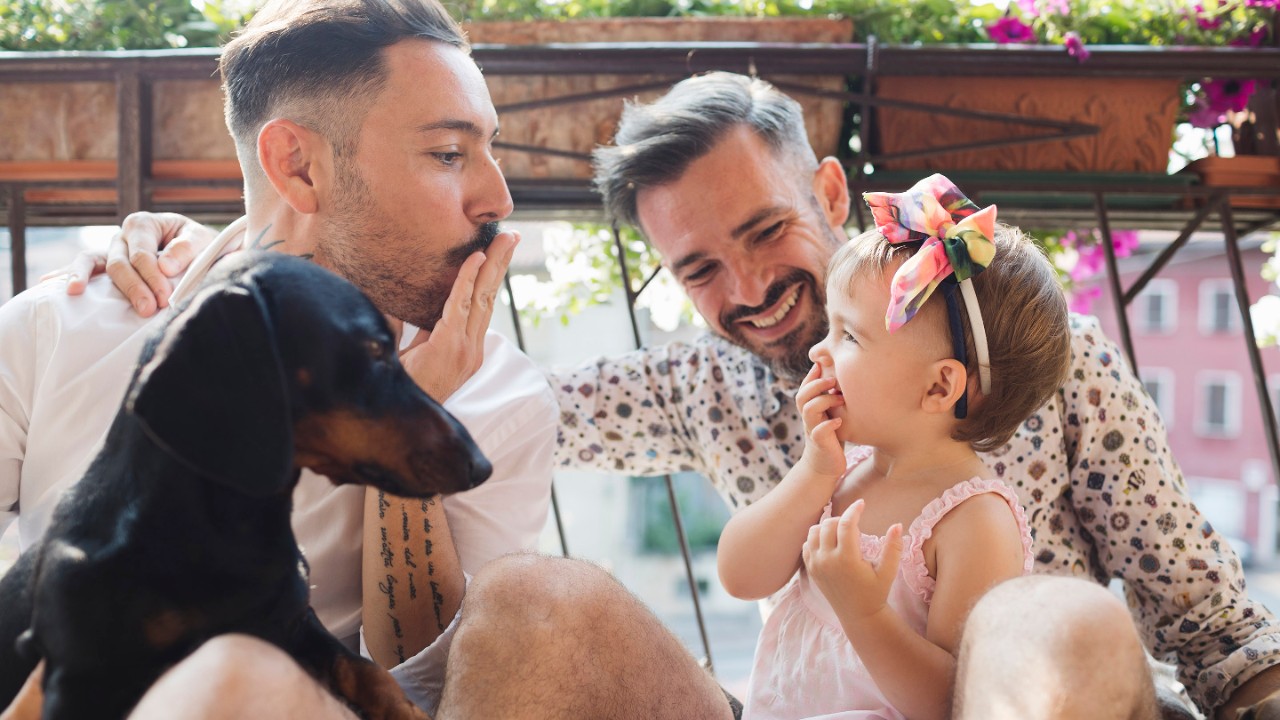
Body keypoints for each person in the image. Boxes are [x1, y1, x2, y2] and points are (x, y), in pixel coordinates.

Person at [58, 68, 1280, 720]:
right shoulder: (701, 384)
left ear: (833, 197)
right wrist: (233, 249)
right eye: (698, 268)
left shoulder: (1055, 371)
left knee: (1048, 616)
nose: (747, 289)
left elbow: (1225, 644)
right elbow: (507, 398)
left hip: (1029, 700)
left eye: (762, 232)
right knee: (541, 598)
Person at [0, 1, 734, 718]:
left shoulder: (499, 400)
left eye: (489, 149)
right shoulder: (60, 328)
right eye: (449, 154)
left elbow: (442, 688)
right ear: (299, 166)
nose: (497, 197)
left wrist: (411, 432)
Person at [720, 174, 1071, 720]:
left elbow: (954, 704)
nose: (819, 351)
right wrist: (814, 472)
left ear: (938, 387)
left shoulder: (973, 522)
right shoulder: (840, 469)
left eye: (849, 336)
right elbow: (741, 575)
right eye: (830, 329)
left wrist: (865, 615)